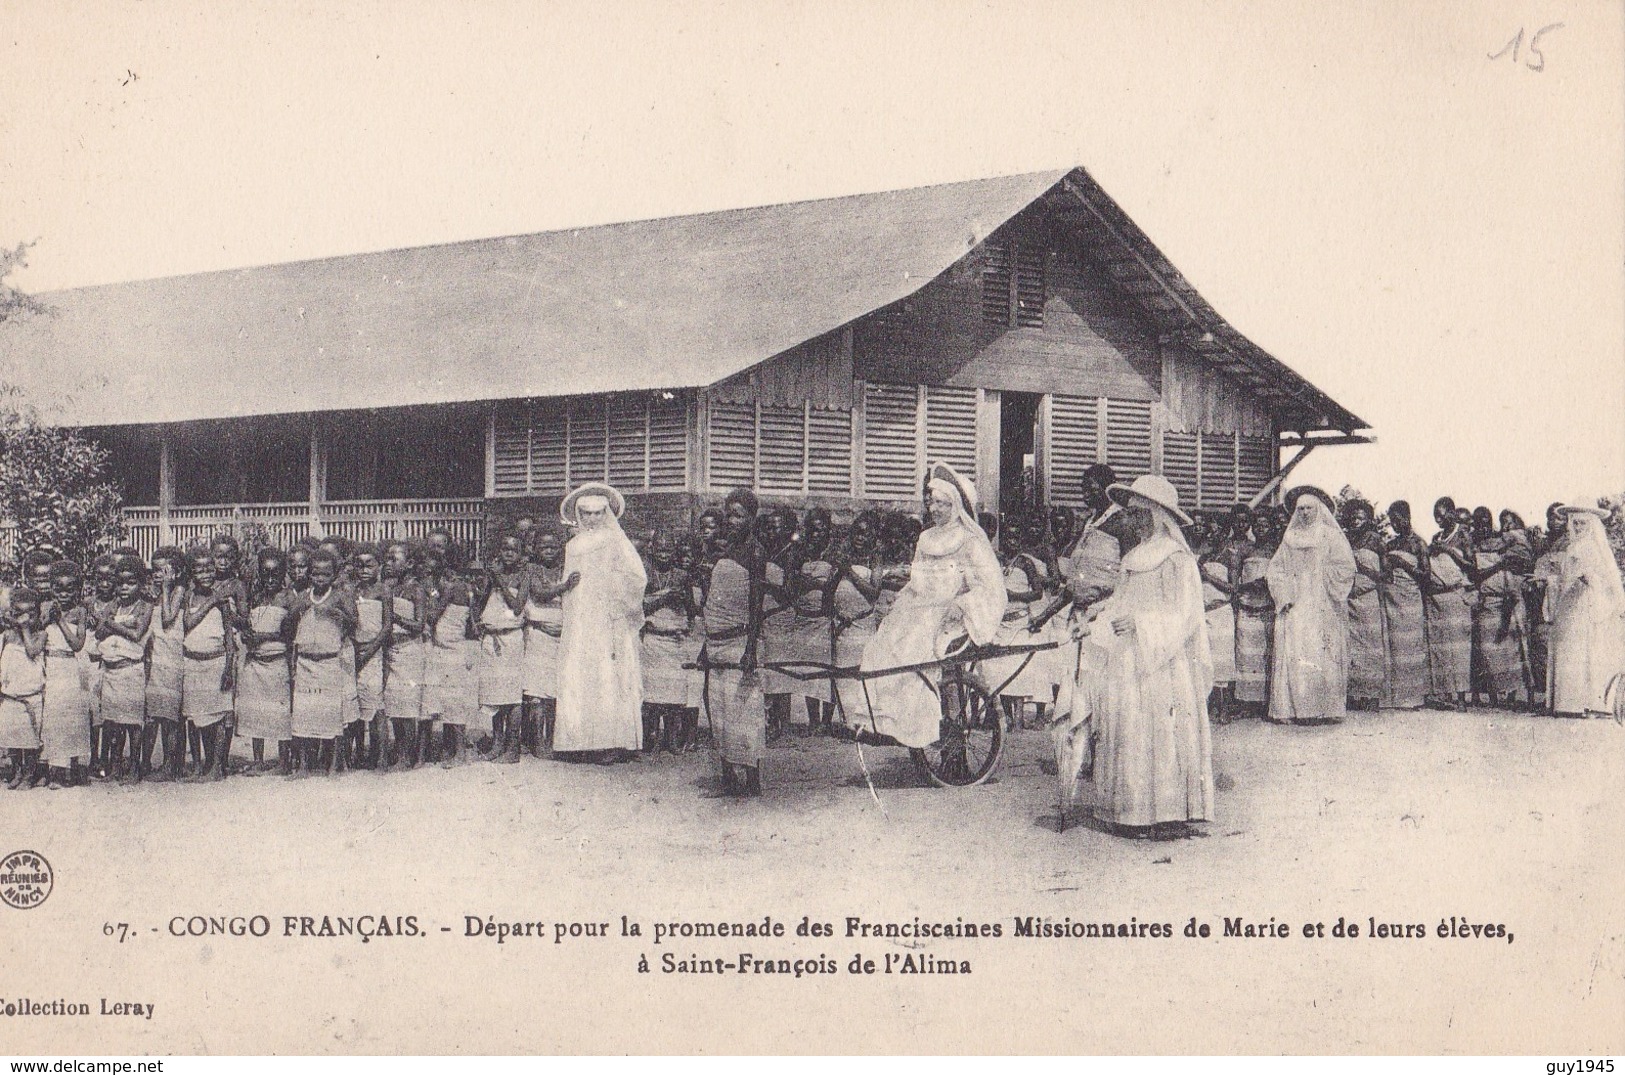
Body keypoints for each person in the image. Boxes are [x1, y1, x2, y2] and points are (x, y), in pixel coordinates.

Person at [1058, 474, 1213, 839]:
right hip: (1129, 658)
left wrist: (1143, 624)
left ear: (1157, 514)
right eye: (1129, 512)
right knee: (1128, 729)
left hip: (1162, 661)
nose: (1131, 519)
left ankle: (1168, 815)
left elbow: (1187, 613)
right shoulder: (1133, 557)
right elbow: (1121, 604)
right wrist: (1095, 619)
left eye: (1138, 512)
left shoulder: (1177, 559)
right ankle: (1131, 812)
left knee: (1161, 732)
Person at [858, 463, 1004, 754]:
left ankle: (923, 726)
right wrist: (898, 602)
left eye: (941, 503)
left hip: (954, 614)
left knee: (916, 649)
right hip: (921, 608)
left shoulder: (971, 540)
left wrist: (961, 604)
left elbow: (989, 585)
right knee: (882, 644)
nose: (934, 509)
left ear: (955, 505)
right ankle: (891, 722)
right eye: (931, 502)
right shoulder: (926, 538)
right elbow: (917, 582)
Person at [554, 482, 645, 763]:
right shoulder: (573, 545)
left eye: (597, 513)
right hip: (580, 620)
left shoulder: (617, 541)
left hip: (608, 618)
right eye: (586, 513)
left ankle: (611, 742)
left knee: (608, 675)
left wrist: (616, 601)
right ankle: (579, 741)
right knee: (580, 673)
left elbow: (636, 577)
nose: (592, 519)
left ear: (607, 513)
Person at [1266, 488, 1356, 726]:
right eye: (1300, 509)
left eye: (1309, 508)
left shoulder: (1330, 535)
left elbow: (1346, 566)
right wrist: (1284, 592)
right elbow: (1276, 569)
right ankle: (1293, 708)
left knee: (1320, 650)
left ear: (1319, 510)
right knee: (1295, 648)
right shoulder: (1290, 538)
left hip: (1322, 600)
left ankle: (1323, 708)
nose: (1305, 513)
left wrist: (1322, 576)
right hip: (1296, 600)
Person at [701, 490, 769, 795]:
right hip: (716, 642)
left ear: (752, 519)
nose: (732, 520)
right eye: (729, 514)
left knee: (744, 711)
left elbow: (756, 604)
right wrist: (706, 644)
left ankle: (752, 778)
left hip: (740, 642)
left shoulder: (755, 552)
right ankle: (728, 775)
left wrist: (751, 649)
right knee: (719, 711)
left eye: (739, 515)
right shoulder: (721, 552)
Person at [1538, 500, 1625, 716]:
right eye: (1574, 523)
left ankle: (1587, 701)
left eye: (1582, 524)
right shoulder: (1573, 547)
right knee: (1573, 649)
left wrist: (1588, 580)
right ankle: (1571, 701)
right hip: (1570, 605)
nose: (1577, 528)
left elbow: (1603, 579)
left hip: (1586, 604)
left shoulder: (1592, 548)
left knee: (1587, 649)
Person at [288, 548, 358, 777]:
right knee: (305, 715)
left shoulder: (339, 596)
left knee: (332, 716)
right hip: (306, 662)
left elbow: (353, 623)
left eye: (325, 575)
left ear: (334, 575)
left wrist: (338, 614)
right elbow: (288, 623)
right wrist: (297, 610)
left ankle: (334, 765)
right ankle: (304, 766)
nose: (320, 578)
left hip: (329, 662)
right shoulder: (302, 597)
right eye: (316, 573)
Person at [234, 548, 296, 777]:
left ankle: (284, 761)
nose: (270, 579)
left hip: (277, 662)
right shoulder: (256, 596)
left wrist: (265, 637)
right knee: (254, 711)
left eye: (275, 574)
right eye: (266, 573)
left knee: (280, 714)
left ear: (283, 574)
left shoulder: (289, 598)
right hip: (254, 662)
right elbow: (248, 625)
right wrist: (247, 635)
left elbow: (291, 635)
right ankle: (258, 761)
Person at [93, 555, 153, 784]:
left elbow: (137, 635)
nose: (124, 587)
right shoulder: (114, 605)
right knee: (114, 722)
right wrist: (120, 624)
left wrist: (113, 624)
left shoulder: (145, 607)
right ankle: (116, 767)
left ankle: (135, 768)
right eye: (120, 583)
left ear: (141, 583)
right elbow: (99, 632)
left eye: (131, 582)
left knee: (133, 723)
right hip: (111, 670)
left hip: (131, 671)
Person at [640, 530, 697, 753]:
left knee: (674, 694)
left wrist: (682, 601)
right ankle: (650, 738)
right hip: (652, 640)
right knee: (651, 695)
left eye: (669, 550)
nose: (664, 554)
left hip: (674, 640)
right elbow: (639, 608)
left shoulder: (682, 575)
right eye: (660, 549)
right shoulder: (645, 574)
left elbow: (691, 609)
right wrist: (664, 598)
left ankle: (672, 739)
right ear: (652, 550)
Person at [1470, 510, 1534, 706]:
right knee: (1489, 650)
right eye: (1479, 524)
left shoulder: (1504, 540)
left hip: (1510, 599)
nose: (1483, 527)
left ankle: (1522, 695)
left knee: (1517, 648)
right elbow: (1475, 573)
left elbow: (1524, 559)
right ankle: (1495, 695)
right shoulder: (1473, 545)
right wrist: (1498, 566)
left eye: (1486, 522)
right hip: (1487, 601)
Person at [476, 532, 529, 761]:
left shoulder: (522, 576)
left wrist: (501, 582)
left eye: (514, 550)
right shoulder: (493, 575)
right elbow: (480, 602)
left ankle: (513, 746)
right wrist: (489, 581)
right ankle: (497, 742)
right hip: (491, 638)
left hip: (511, 640)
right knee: (493, 694)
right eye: (505, 549)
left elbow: (517, 607)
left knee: (512, 695)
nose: (509, 553)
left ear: (520, 554)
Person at [423, 545, 478, 766]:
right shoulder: (466, 587)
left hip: (450, 649)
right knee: (451, 701)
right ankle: (451, 750)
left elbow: (434, 615)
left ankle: (459, 753)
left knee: (453, 704)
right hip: (454, 647)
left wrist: (429, 598)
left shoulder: (450, 588)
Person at [785, 508, 837, 732]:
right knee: (809, 671)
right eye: (813, 530)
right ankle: (813, 720)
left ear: (828, 532)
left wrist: (814, 584)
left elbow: (834, 588)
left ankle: (826, 722)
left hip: (825, 621)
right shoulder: (799, 554)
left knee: (828, 672)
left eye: (821, 530)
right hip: (804, 620)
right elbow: (790, 584)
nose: (817, 535)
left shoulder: (833, 556)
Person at [382, 540, 430, 770]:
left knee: (408, 707)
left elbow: (420, 624)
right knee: (394, 705)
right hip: (393, 651)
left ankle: (406, 756)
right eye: (387, 559)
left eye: (394, 559)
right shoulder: (390, 587)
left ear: (409, 563)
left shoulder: (416, 589)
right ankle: (399, 750)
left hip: (410, 651)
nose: (388, 563)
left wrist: (395, 618)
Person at [522, 528, 570, 756]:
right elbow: (539, 594)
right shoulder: (531, 569)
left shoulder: (566, 569)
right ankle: (537, 741)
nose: (549, 551)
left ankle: (553, 739)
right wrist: (564, 586)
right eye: (543, 547)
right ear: (534, 549)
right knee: (537, 694)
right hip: (538, 636)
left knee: (557, 693)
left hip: (563, 637)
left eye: (553, 547)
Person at [144, 546, 189, 781]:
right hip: (158, 658)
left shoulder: (178, 589)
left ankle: (172, 765)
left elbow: (168, 618)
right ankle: (161, 763)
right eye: (155, 570)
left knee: (171, 717)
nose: (158, 574)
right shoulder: (157, 592)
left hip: (172, 660)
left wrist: (166, 587)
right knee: (157, 713)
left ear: (176, 572)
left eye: (164, 570)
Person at [1380, 501, 1429, 710]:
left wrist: (1404, 565)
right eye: (1391, 522)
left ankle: (1413, 697)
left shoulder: (1419, 544)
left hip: (1410, 601)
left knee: (1410, 646)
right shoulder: (1390, 545)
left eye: (1397, 520)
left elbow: (1426, 577)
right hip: (1392, 600)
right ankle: (1394, 696)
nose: (1394, 525)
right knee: (1394, 646)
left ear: (1407, 517)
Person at [1426, 496, 1475, 709]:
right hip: (1437, 599)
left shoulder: (1463, 535)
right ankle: (1445, 696)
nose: (1438, 519)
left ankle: (1462, 698)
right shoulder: (1436, 536)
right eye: (1435, 515)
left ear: (1452, 514)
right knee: (1441, 648)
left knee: (1459, 649)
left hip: (1456, 597)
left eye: (1442, 515)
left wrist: (1449, 552)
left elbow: (1472, 566)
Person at [1340, 499, 1388, 711]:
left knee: (1370, 646)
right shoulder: (1343, 540)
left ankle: (1371, 696)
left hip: (1368, 599)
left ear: (1368, 519)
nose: (1356, 521)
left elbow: (1387, 575)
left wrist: (1364, 569)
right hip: (1347, 599)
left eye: (1360, 517)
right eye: (1353, 517)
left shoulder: (1376, 541)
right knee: (1350, 646)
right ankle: (1352, 694)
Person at [1, 588, 47, 790]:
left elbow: (32, 652)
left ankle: (29, 774)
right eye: (19, 613)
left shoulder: (40, 635)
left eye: (30, 614)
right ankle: (17, 770)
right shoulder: (7, 636)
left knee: (29, 740)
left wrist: (26, 629)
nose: (24, 618)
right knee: (12, 737)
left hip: (31, 696)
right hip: (11, 696)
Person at [352, 544, 391, 767]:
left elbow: (386, 626)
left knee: (376, 708)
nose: (364, 570)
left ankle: (381, 757)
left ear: (379, 567)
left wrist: (369, 652)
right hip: (355, 651)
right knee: (357, 705)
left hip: (374, 653)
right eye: (360, 565)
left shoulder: (383, 590)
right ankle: (359, 754)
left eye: (370, 565)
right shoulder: (352, 590)